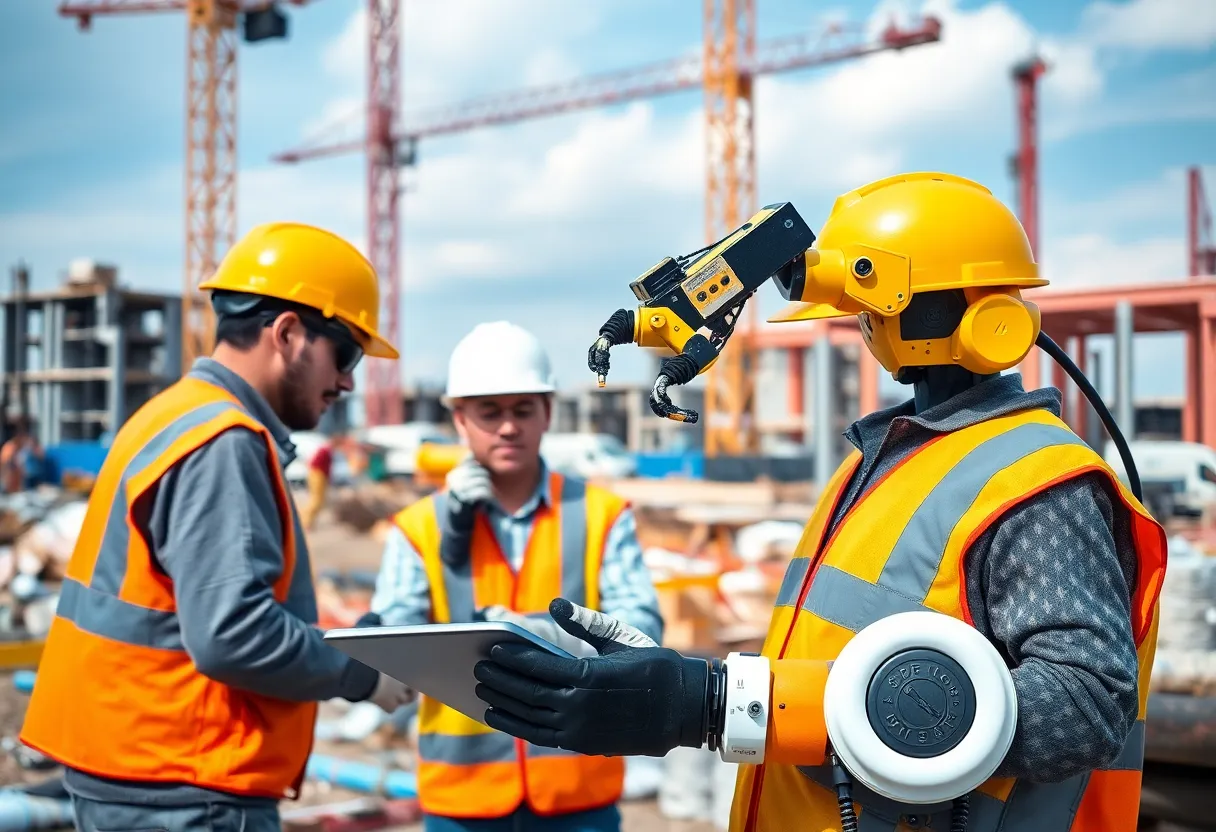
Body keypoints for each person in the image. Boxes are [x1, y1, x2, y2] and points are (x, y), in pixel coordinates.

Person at [469, 173, 1168, 832]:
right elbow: (832, 659)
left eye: (872, 303)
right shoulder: (886, 459)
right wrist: (672, 676)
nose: (860, 323)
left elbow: (1084, 707)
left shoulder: (1039, 486)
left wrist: (715, 705)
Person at [19, 222, 415, 832]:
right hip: (185, 782)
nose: (347, 382)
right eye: (348, 354)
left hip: (136, 764)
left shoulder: (170, 415)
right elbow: (232, 634)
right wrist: (360, 671)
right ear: (287, 333)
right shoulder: (222, 442)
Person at [369, 320, 664, 832]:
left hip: (578, 792)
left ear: (547, 412)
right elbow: (396, 644)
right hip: (463, 798)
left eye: (523, 410)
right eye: (490, 412)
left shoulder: (601, 514)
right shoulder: (418, 528)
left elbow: (641, 633)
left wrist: (541, 636)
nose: (509, 427)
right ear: (460, 420)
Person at [301, 430, 342, 530]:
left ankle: (308, 521)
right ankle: (305, 521)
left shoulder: (326, 450)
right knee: (316, 500)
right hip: (318, 475)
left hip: (319, 475)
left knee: (319, 500)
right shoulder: (325, 450)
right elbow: (315, 464)